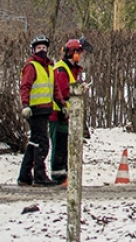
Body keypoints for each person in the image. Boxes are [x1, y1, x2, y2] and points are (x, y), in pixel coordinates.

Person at [17, 34, 60, 187]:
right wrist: (25, 105)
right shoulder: (31, 66)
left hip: (45, 109)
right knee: (42, 142)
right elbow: (25, 86)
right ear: (33, 50)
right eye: (39, 48)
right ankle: (39, 176)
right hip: (35, 110)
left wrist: (61, 104)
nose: (42, 50)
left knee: (34, 142)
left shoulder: (49, 67)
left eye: (44, 48)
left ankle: (24, 175)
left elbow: (54, 88)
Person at [49, 38, 87, 185]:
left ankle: (64, 175)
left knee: (64, 146)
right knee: (59, 146)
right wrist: (78, 89)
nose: (81, 57)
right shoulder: (61, 69)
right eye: (80, 53)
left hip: (65, 114)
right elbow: (63, 91)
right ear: (74, 54)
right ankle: (58, 176)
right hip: (58, 114)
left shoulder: (68, 69)